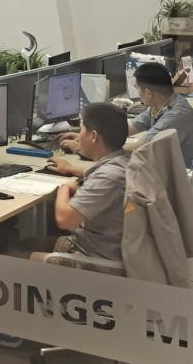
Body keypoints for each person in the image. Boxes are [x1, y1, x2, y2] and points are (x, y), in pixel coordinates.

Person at [21, 102, 131, 264]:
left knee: (12, 256)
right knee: (26, 243)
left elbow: (64, 219)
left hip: (95, 257)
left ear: (93, 136)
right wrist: (71, 170)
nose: (78, 136)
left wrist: (64, 187)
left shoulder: (108, 177)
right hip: (103, 244)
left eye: (82, 130)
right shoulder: (124, 161)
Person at [62, 62, 193, 166]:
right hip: (165, 168)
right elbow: (123, 129)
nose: (137, 93)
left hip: (183, 177)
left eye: (137, 88)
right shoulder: (161, 105)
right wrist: (87, 136)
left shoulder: (174, 116)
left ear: (148, 92)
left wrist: (85, 149)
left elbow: (137, 149)